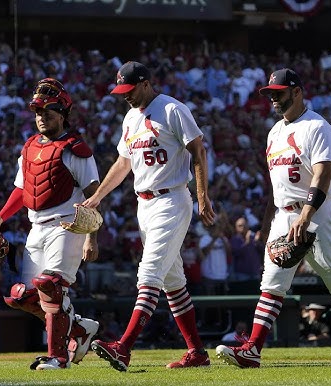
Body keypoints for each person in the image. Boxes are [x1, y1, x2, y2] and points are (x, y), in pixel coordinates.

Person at [216, 68, 331, 368]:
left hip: (317, 211)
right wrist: (266, 224)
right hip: (284, 213)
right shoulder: (274, 132)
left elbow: (323, 173)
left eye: (278, 93)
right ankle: (252, 350)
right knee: (271, 283)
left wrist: (307, 213)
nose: (273, 98)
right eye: (270, 94)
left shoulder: (318, 126)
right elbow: (274, 184)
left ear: (297, 92)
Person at [82, 61, 216, 371]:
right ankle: (197, 352)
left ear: (145, 84)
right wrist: (98, 195)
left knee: (149, 273)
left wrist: (202, 195)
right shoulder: (130, 117)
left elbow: (198, 151)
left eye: (130, 90)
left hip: (171, 199)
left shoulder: (172, 109)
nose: (125, 96)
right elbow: (123, 163)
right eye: (122, 91)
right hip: (144, 204)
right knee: (172, 281)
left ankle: (124, 347)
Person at [0, 78, 101, 370]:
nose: (41, 118)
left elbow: (94, 197)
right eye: (37, 112)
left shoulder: (76, 148)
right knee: (21, 297)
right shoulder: (29, 146)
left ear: (62, 114)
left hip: (68, 225)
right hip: (35, 227)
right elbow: (22, 191)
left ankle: (58, 358)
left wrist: (91, 237)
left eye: (47, 112)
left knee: (50, 286)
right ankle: (79, 329)